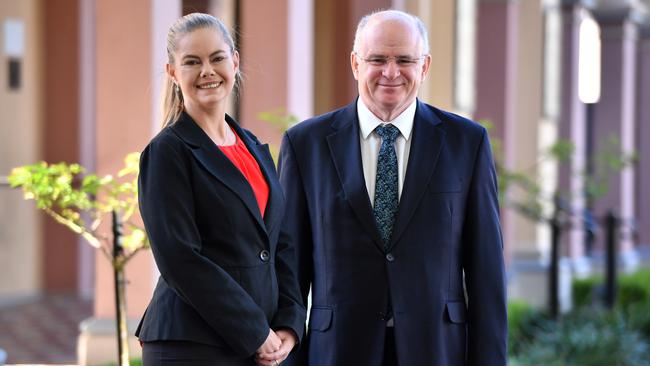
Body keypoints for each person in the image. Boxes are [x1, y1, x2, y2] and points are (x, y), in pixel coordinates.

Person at [278, 9, 507, 366]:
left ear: (425, 66)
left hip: (436, 349)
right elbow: (289, 270)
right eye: (377, 59)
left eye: (404, 59)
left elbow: (486, 272)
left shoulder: (467, 143)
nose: (390, 72)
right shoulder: (305, 144)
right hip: (338, 351)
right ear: (355, 64)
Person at [136, 13, 305, 366]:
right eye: (192, 62)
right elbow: (180, 258)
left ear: (235, 61)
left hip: (265, 344)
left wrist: (289, 322)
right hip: (193, 346)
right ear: (172, 72)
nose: (207, 71)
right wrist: (254, 332)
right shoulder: (168, 151)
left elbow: (281, 244)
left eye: (217, 58)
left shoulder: (256, 148)